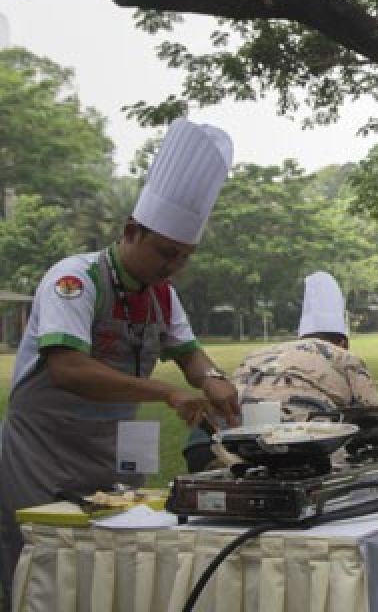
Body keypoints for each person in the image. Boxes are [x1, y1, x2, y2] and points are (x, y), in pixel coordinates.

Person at [0, 118, 240, 607]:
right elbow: (67, 367)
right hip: (45, 448)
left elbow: (189, 353)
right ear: (132, 231)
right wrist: (166, 392)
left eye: (184, 258)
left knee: (113, 561)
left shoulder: (162, 296)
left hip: (112, 450)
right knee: (42, 562)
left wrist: (213, 379)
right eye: (165, 253)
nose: (172, 267)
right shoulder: (75, 278)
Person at [182, 271, 378, 472]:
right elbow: (377, 417)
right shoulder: (345, 357)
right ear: (343, 342)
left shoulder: (259, 353)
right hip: (290, 451)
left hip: (205, 445)